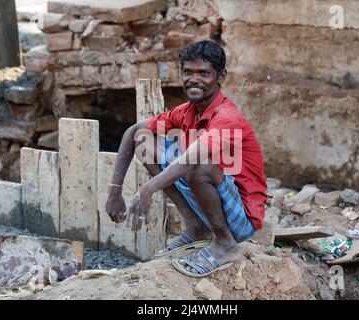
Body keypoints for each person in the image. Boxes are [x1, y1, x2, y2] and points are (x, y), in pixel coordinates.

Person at [105, 40, 267, 277]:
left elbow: (192, 160)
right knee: (144, 140)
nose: (194, 79)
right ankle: (196, 228)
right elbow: (132, 133)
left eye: (204, 73)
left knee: (196, 164)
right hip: (210, 201)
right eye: (188, 72)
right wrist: (114, 190)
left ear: (220, 77)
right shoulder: (186, 112)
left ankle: (225, 245)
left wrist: (147, 190)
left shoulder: (227, 117)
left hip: (241, 216)